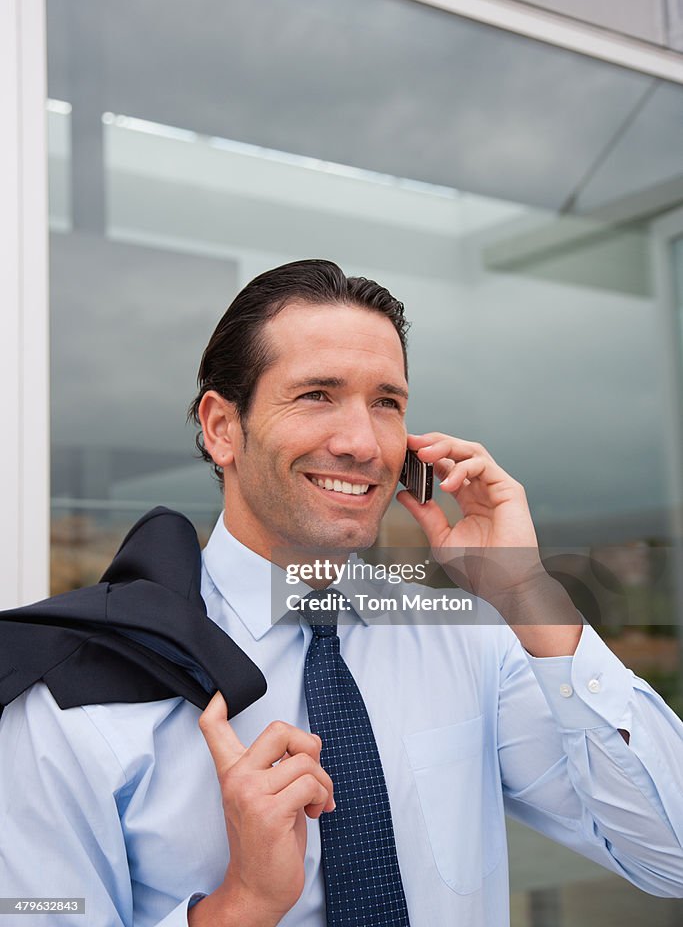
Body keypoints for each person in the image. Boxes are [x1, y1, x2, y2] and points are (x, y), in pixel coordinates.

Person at [1, 258, 682, 927]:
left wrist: (529, 593)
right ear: (220, 428)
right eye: (316, 395)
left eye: (385, 402)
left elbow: (669, 858)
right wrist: (239, 908)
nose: (362, 443)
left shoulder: (470, 644)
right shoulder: (71, 692)